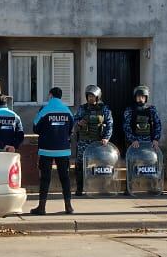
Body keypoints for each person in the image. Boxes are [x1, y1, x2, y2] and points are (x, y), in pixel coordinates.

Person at [30, 87, 75, 215]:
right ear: (61, 97)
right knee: (65, 178)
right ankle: (68, 206)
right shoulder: (68, 111)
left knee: (45, 178)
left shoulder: (45, 110)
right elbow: (71, 129)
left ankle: (42, 207)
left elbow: (35, 128)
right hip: (63, 151)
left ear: (50, 95)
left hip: (46, 150)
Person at [73, 85, 113, 196]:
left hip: (99, 142)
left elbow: (109, 124)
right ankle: (79, 188)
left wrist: (106, 138)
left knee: (103, 164)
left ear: (98, 97)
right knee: (80, 164)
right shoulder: (82, 108)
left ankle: (103, 187)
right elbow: (74, 120)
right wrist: (78, 123)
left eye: (93, 96)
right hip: (84, 141)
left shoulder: (104, 109)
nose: (90, 98)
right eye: (89, 96)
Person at [123, 85, 162, 150]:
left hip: (149, 142)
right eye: (138, 96)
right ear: (135, 97)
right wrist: (133, 139)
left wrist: (156, 139)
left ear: (146, 98)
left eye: (143, 97)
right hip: (134, 143)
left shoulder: (152, 109)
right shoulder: (129, 110)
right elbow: (126, 126)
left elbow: (158, 125)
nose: (140, 99)